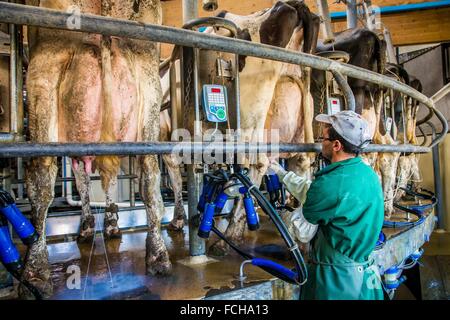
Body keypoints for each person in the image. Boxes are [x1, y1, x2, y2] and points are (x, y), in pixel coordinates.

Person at [269, 110, 384, 300]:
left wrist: (285, 216)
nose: (320, 142)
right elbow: (317, 193)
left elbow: (303, 233)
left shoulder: (330, 183)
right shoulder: (367, 174)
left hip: (336, 278)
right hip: (364, 273)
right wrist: (281, 173)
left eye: (323, 138)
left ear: (336, 145)